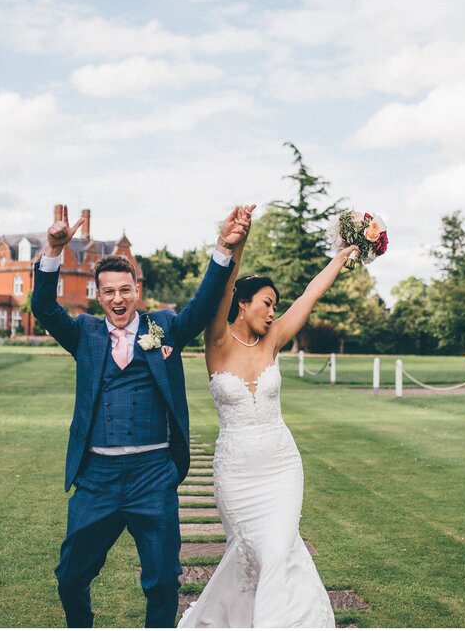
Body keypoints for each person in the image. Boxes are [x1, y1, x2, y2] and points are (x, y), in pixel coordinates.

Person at [32, 204, 252, 628]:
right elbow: (43, 306)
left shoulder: (164, 327)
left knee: (164, 582)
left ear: (137, 290)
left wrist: (224, 248)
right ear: (99, 295)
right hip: (97, 478)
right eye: (109, 291)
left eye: (125, 290)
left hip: (153, 475)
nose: (118, 299)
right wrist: (53, 251)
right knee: (70, 577)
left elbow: (205, 303)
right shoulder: (85, 334)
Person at [178, 223, 359, 628]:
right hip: (237, 475)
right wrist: (236, 244)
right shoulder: (217, 342)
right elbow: (222, 287)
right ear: (242, 304)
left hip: (280, 467)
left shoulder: (273, 340)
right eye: (266, 303)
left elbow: (311, 294)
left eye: (276, 304)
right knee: (251, 560)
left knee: (278, 552)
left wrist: (342, 257)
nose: (273, 311)